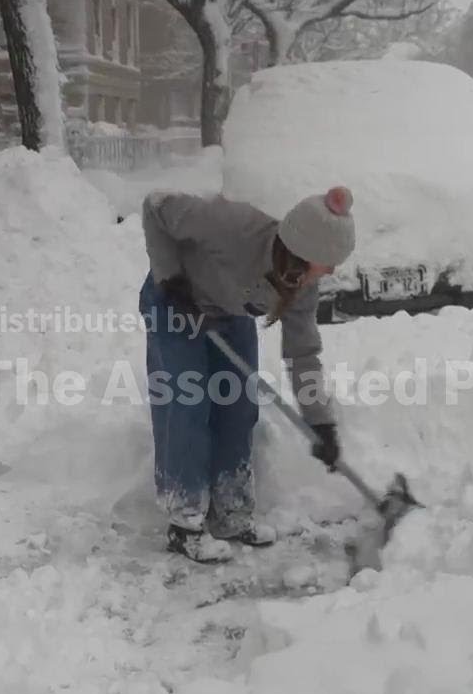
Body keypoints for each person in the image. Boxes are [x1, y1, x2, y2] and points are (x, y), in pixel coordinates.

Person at [138, 186, 356, 563]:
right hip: (176, 303)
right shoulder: (232, 226)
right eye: (328, 261)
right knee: (188, 403)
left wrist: (321, 423)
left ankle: (231, 512)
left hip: (227, 313)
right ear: (302, 252)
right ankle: (184, 521)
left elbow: (302, 353)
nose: (332, 270)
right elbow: (156, 207)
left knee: (238, 406)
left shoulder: (301, 285)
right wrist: (171, 280)